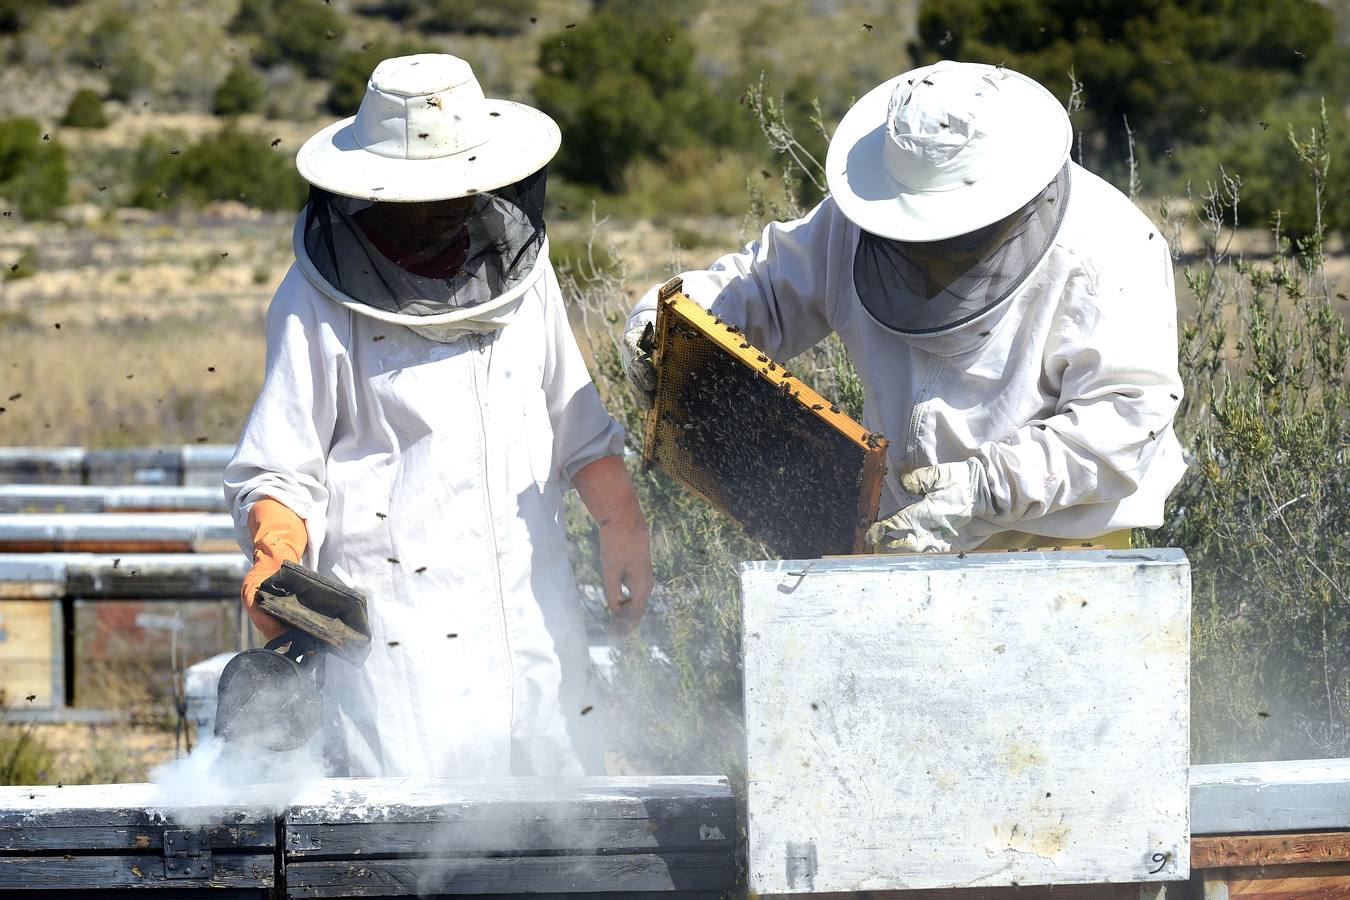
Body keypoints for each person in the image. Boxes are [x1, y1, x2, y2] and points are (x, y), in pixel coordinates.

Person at [225, 54, 653, 778]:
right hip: (402, 648)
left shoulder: (524, 272)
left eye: (453, 193)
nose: (442, 211)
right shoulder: (317, 302)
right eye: (421, 199)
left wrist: (621, 522)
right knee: (414, 860)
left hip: (532, 614)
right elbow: (281, 469)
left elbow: (577, 422)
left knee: (564, 852)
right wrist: (275, 547)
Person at [623, 60, 1185, 553]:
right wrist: (666, 327)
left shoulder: (1107, 245)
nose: (928, 254)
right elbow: (764, 286)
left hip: (1063, 546)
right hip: (899, 535)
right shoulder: (856, 224)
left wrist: (986, 488)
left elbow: (1128, 415)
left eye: (949, 235)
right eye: (912, 235)